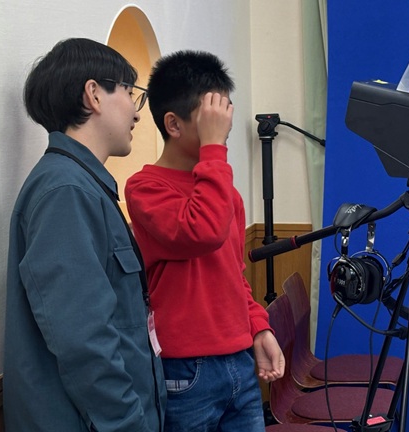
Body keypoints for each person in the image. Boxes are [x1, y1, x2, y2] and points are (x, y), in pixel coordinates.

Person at [3, 38, 166, 432]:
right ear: (93, 94)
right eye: (129, 92)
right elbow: (84, 340)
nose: (137, 112)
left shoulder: (80, 184)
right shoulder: (66, 191)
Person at [124, 50, 285, 432]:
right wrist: (214, 150)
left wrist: (258, 327)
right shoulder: (145, 188)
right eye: (211, 115)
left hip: (240, 360)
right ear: (173, 124)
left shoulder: (224, 191)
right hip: (185, 371)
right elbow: (202, 232)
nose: (223, 125)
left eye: (224, 111)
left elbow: (233, 275)